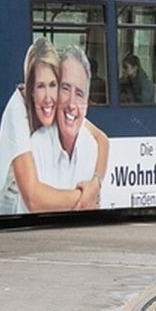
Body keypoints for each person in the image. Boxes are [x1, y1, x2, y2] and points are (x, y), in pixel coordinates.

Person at [0, 38, 109, 214]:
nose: (48, 97)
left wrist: (96, 183)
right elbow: (33, 198)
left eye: (53, 85)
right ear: (30, 89)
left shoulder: (59, 107)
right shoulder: (17, 112)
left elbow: (102, 139)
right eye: (40, 86)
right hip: (7, 211)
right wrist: (85, 198)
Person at [30, 47, 100, 200]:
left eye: (79, 94)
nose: (72, 104)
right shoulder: (36, 147)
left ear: (87, 105)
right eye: (65, 89)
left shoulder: (91, 148)